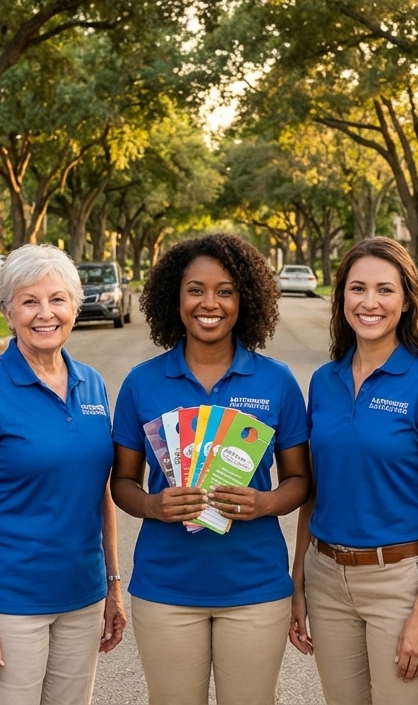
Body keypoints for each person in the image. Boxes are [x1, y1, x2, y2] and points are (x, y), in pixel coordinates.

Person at [110, 233, 311, 705]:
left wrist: (265, 502)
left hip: (255, 587)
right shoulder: (142, 382)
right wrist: (154, 506)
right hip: (166, 587)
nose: (210, 303)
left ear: (246, 300)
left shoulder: (276, 381)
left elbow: (300, 480)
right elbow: (122, 483)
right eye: (195, 289)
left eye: (226, 290)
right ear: (174, 299)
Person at [0, 244, 125, 705]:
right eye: (29, 301)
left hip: (82, 598)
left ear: (74, 307)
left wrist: (112, 586)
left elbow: (99, 493)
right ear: (8, 312)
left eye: (57, 299)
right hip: (9, 605)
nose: (45, 313)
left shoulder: (93, 384)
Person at [289, 237, 418, 705]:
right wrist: (299, 582)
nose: (369, 303)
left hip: (401, 583)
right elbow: (314, 492)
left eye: (385, 290)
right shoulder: (324, 382)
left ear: (406, 300)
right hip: (326, 577)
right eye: (357, 288)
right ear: (341, 297)